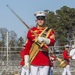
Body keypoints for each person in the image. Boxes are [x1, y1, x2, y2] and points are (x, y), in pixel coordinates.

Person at [24, 11, 56, 75]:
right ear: (36, 20)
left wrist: (44, 39)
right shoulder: (31, 31)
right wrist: (26, 61)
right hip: (34, 58)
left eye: (42, 19)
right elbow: (28, 46)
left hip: (44, 59)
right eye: (39, 19)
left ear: (44, 20)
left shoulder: (50, 31)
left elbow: (52, 42)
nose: (40, 21)